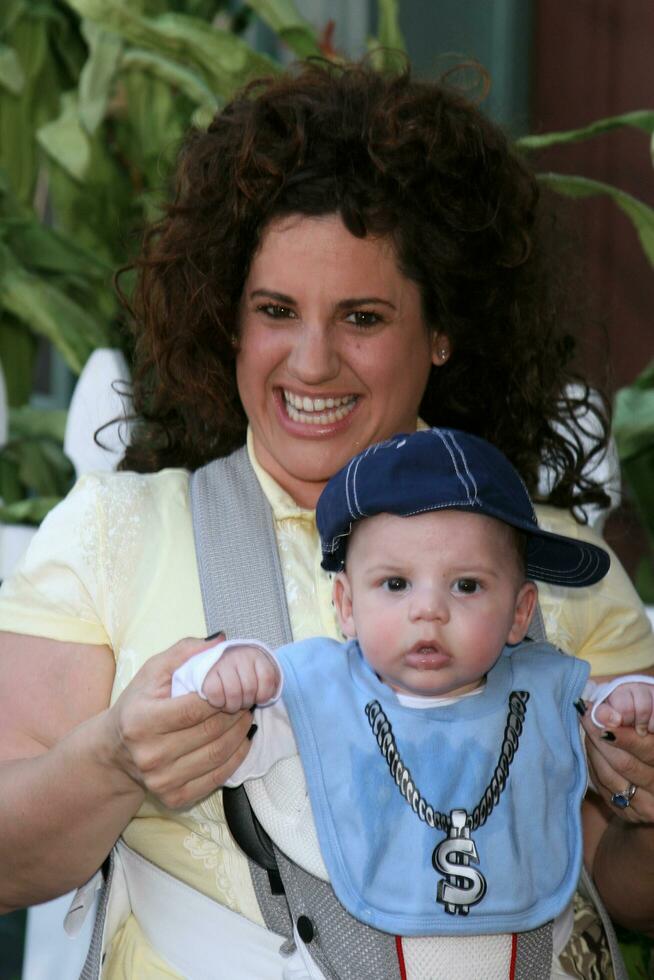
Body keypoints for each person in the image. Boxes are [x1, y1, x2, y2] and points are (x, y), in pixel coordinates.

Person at [0, 60, 653, 979]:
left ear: (441, 329)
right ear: (228, 320)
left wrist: (646, 812)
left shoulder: (560, 564)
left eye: (362, 316)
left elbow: (623, 885)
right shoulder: (118, 534)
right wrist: (113, 763)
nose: (310, 362)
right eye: (275, 311)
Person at [172, 427, 654, 977]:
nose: (430, 610)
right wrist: (225, 669)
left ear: (521, 612)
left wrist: (627, 701)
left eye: (467, 586)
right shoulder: (313, 690)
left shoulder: (542, 693)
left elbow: (606, 721)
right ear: (346, 605)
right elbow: (193, 714)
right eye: (396, 583)